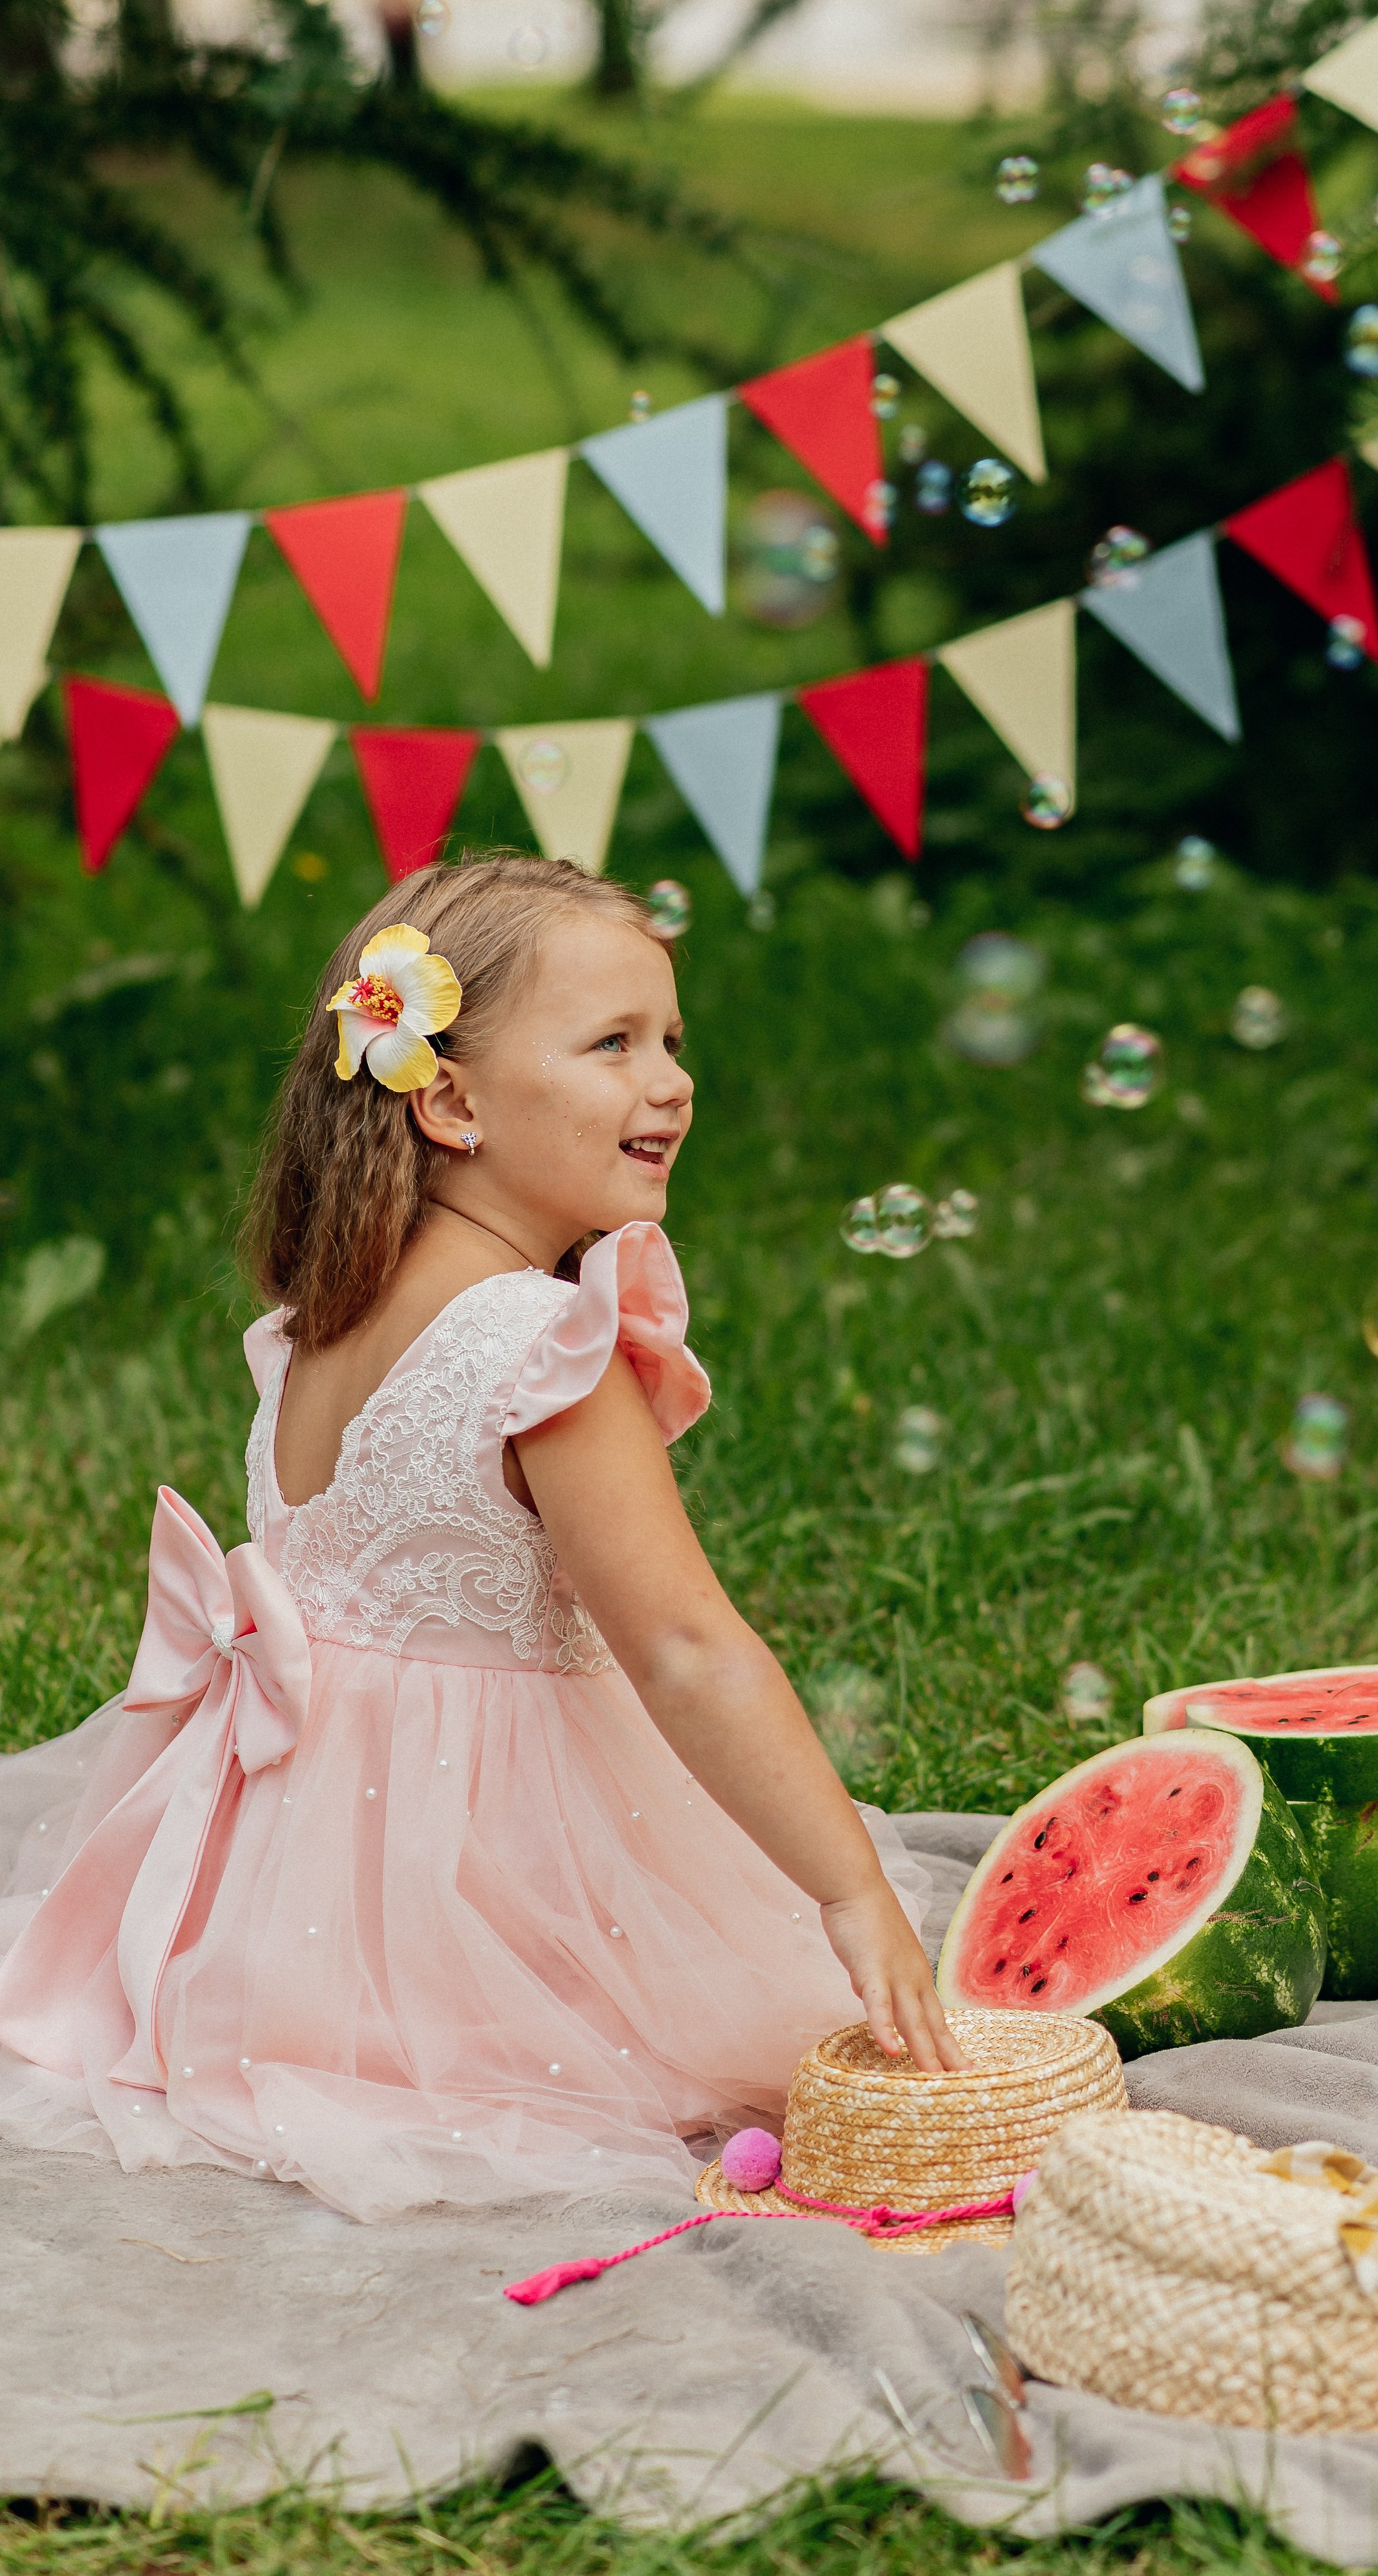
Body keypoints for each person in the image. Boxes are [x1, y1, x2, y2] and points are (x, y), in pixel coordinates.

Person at [0, 854, 960, 2222]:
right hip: (473, 1872)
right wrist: (849, 1890)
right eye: (614, 1044)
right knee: (708, 2042)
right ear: (449, 1099)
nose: (673, 1082)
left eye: (672, 1041)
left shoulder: (316, 1322)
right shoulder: (539, 1349)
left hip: (289, 1894)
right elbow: (686, 1648)